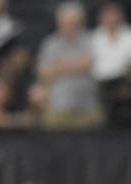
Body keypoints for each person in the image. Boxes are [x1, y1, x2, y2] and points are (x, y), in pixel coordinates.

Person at [35, 2, 103, 130]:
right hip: (58, 107)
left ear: (81, 22)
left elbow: (90, 64)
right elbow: (44, 72)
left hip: (87, 107)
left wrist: (59, 66)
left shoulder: (91, 39)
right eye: (66, 23)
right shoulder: (50, 44)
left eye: (74, 23)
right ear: (58, 23)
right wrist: (77, 64)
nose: (70, 27)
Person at [90, 2, 131, 128]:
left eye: (113, 15)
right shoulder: (95, 37)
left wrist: (128, 83)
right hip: (100, 88)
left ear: (120, 16)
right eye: (106, 15)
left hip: (126, 86)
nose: (109, 19)